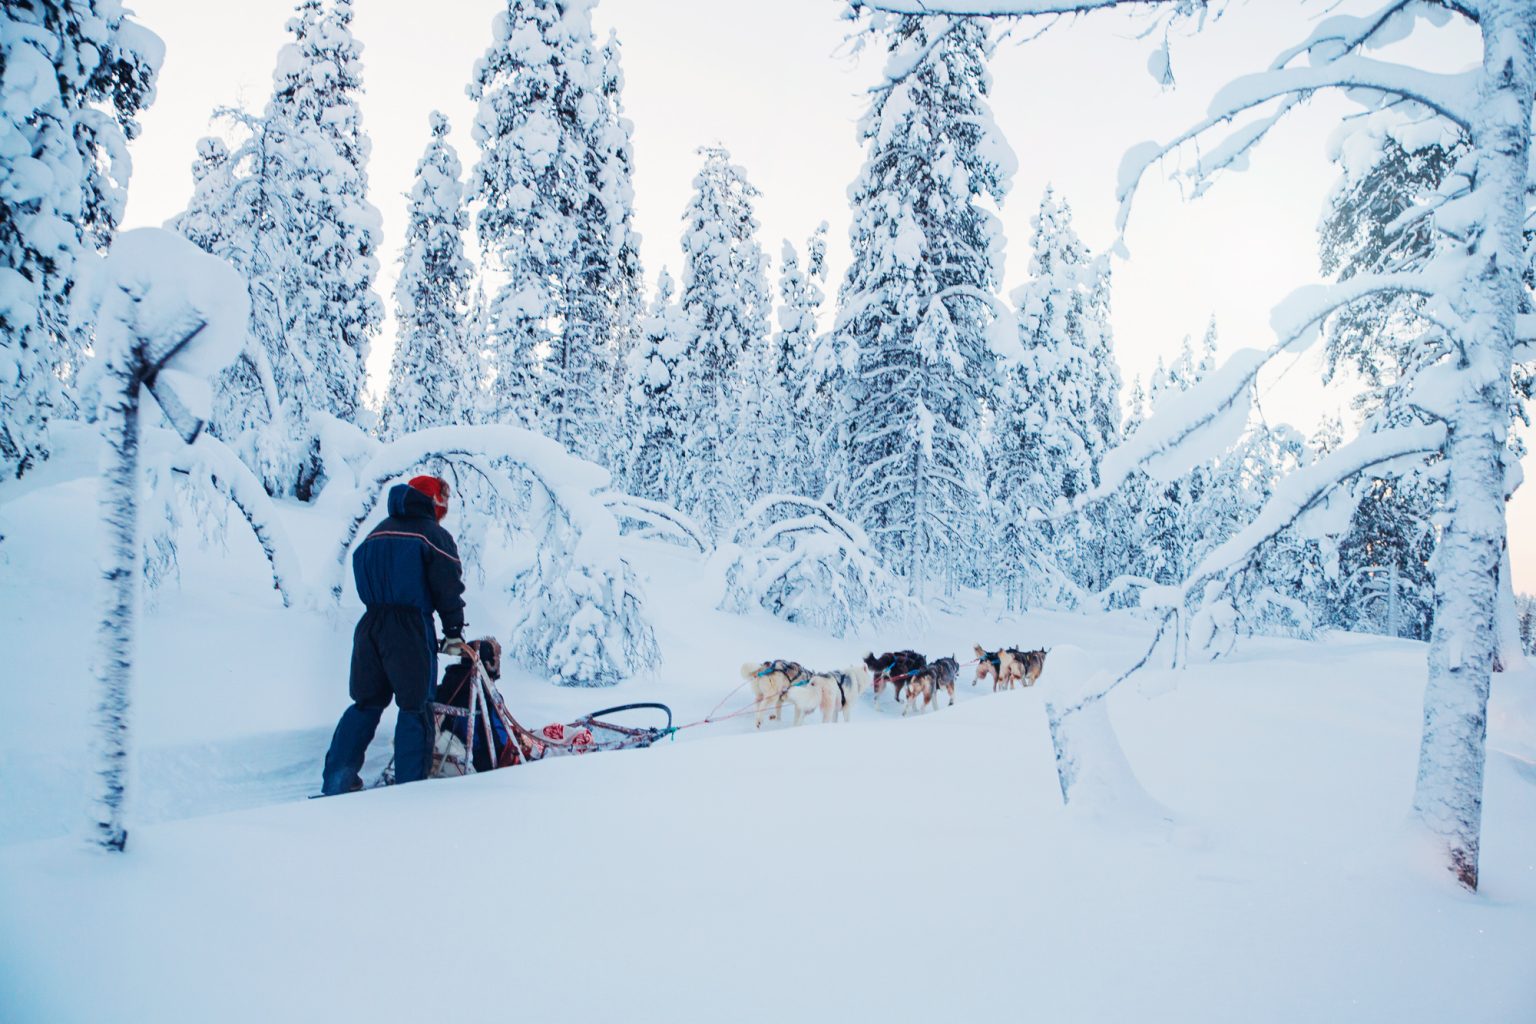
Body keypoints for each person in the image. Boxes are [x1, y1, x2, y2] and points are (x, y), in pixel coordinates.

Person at [320, 475, 467, 795]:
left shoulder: (375, 534)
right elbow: (448, 586)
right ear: (432, 500)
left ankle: (337, 780)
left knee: (365, 703)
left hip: (370, 625)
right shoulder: (432, 535)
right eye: (443, 499)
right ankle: (410, 789)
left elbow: (362, 570)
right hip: (410, 628)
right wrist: (453, 631)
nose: (445, 506)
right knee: (416, 707)